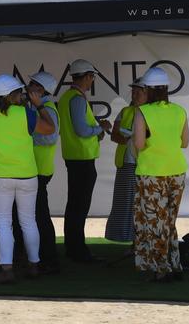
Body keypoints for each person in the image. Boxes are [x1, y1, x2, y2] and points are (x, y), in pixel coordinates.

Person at [0, 74, 56, 284]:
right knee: (29, 222)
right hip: (27, 174)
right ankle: (34, 265)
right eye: (19, 92)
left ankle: (7, 269)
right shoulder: (26, 114)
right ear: (12, 95)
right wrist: (39, 106)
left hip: (1, 175)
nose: (22, 95)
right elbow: (50, 129)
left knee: (3, 224)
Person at [132, 66, 189, 282]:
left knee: (154, 221)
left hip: (151, 173)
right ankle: (175, 264)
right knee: (169, 221)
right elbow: (185, 142)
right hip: (177, 171)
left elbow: (138, 143)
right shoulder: (179, 111)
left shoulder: (143, 112)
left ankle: (160, 267)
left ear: (148, 90)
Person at [57, 58, 112, 263]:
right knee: (78, 207)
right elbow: (81, 130)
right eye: (92, 77)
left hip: (75, 157)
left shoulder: (67, 97)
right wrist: (102, 128)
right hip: (82, 159)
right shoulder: (77, 99)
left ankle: (74, 248)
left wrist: (95, 131)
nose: (92, 81)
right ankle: (77, 250)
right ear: (88, 76)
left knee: (74, 206)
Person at [12, 71, 62, 274]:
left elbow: (49, 139)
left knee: (39, 217)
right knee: (33, 217)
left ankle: (48, 260)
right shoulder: (38, 107)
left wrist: (26, 135)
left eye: (31, 84)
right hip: (35, 169)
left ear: (41, 89)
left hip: (39, 170)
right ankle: (34, 257)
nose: (27, 86)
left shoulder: (47, 108)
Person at [105, 78, 149, 245]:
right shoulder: (125, 111)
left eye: (140, 91)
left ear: (148, 94)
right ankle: (130, 241)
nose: (135, 94)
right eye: (134, 91)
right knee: (125, 204)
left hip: (146, 165)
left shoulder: (151, 113)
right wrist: (123, 137)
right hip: (126, 164)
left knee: (144, 205)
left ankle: (144, 243)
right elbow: (114, 135)